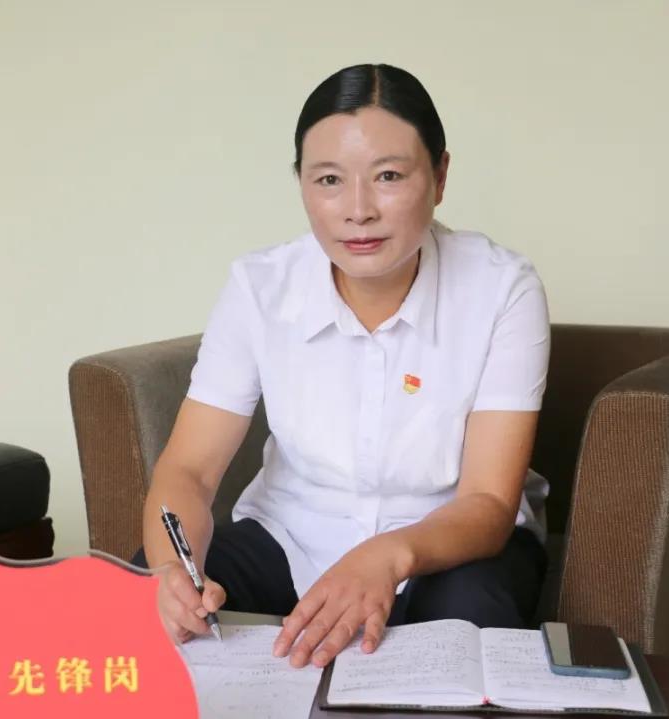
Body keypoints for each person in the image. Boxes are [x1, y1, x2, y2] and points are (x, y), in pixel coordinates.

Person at [131, 63, 550, 671]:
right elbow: (189, 470)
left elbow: (487, 501)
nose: (358, 210)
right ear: (301, 182)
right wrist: (173, 570)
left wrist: (387, 555)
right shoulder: (260, 286)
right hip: (291, 533)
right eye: (329, 179)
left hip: (444, 544)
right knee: (148, 608)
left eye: (388, 176)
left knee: (469, 617)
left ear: (439, 176)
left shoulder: (501, 288)